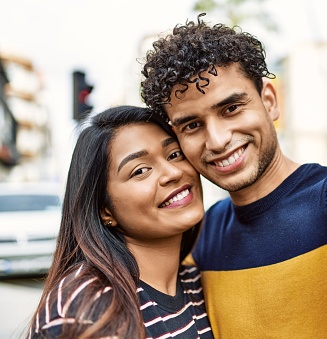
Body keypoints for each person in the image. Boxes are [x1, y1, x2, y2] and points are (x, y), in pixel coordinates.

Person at [141, 14, 327, 338]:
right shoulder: (203, 236)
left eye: (231, 109)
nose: (217, 140)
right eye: (192, 125)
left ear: (269, 101)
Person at [26, 105, 214, 338]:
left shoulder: (198, 282)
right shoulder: (89, 305)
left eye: (174, 155)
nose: (172, 173)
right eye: (140, 170)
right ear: (105, 210)